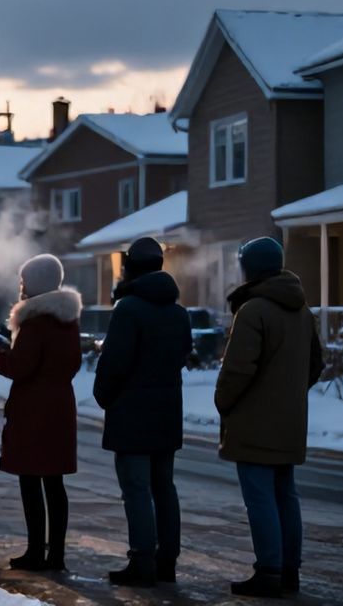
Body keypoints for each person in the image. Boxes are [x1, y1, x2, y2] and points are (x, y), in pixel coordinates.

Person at [216, 237, 323, 598]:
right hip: (289, 420)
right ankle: (288, 570)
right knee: (285, 496)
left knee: (260, 498)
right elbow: (316, 364)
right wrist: (289, 395)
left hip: (253, 422)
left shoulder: (254, 310)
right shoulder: (302, 310)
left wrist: (224, 403)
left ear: (252, 268)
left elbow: (237, 371)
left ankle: (269, 571)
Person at [93, 238, 193, 587]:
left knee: (137, 489)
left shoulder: (129, 310)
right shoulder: (179, 314)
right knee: (164, 487)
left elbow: (113, 366)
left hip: (132, 415)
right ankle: (167, 561)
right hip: (167, 413)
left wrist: (104, 396)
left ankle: (142, 561)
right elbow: (183, 357)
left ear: (131, 266)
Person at [0, 254, 82, 572]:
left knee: (30, 480)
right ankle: (56, 554)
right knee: (54, 483)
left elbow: (20, 366)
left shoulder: (35, 322)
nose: (21, 286)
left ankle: (34, 552)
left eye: (24, 280)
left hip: (33, 409)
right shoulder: (68, 320)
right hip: (60, 405)